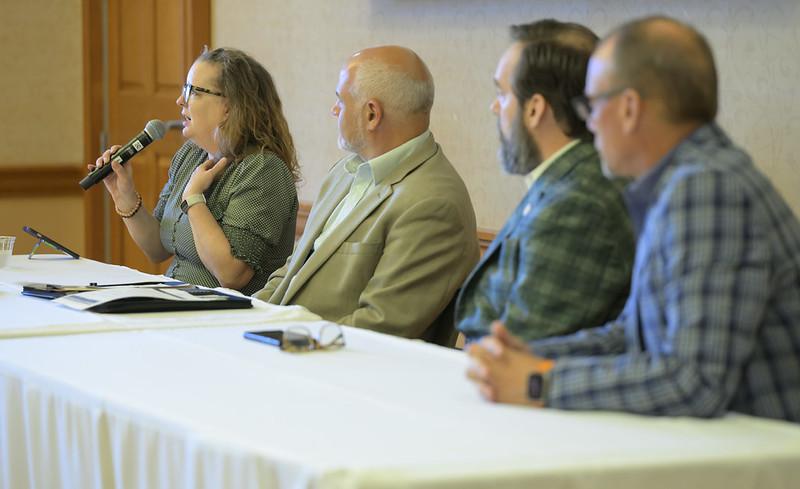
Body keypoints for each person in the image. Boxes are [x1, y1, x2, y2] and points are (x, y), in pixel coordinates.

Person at [467, 16, 800, 422]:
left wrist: (539, 382)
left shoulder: (708, 187)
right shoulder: (678, 183)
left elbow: (693, 382)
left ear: (628, 108)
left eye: (592, 104)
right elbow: (631, 334)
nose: (588, 122)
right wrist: (530, 355)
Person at [255, 46, 479, 344]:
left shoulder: (433, 203)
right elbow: (293, 270)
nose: (333, 111)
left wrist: (272, 341)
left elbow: (378, 328)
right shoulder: (343, 172)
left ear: (372, 114)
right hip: (277, 348)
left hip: (332, 371)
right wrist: (242, 317)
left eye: (340, 101)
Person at [455, 20, 634, 344]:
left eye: (502, 94)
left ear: (535, 109)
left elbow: (518, 353)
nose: (494, 107)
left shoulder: (579, 203)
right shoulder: (566, 179)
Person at [90, 48, 299, 296]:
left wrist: (194, 199)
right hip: (175, 302)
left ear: (230, 106)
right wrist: (123, 194)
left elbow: (232, 275)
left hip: (225, 317)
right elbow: (158, 248)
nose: (180, 100)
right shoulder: (191, 155)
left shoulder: (262, 169)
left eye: (193, 91)